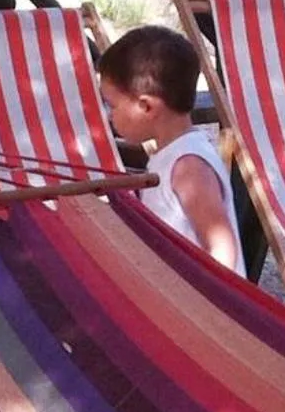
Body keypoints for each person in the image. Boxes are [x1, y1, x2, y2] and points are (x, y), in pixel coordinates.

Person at [97, 24, 245, 276]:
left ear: (146, 107)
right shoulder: (171, 153)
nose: (109, 116)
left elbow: (222, 248)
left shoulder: (188, 166)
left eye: (113, 106)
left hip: (202, 306)